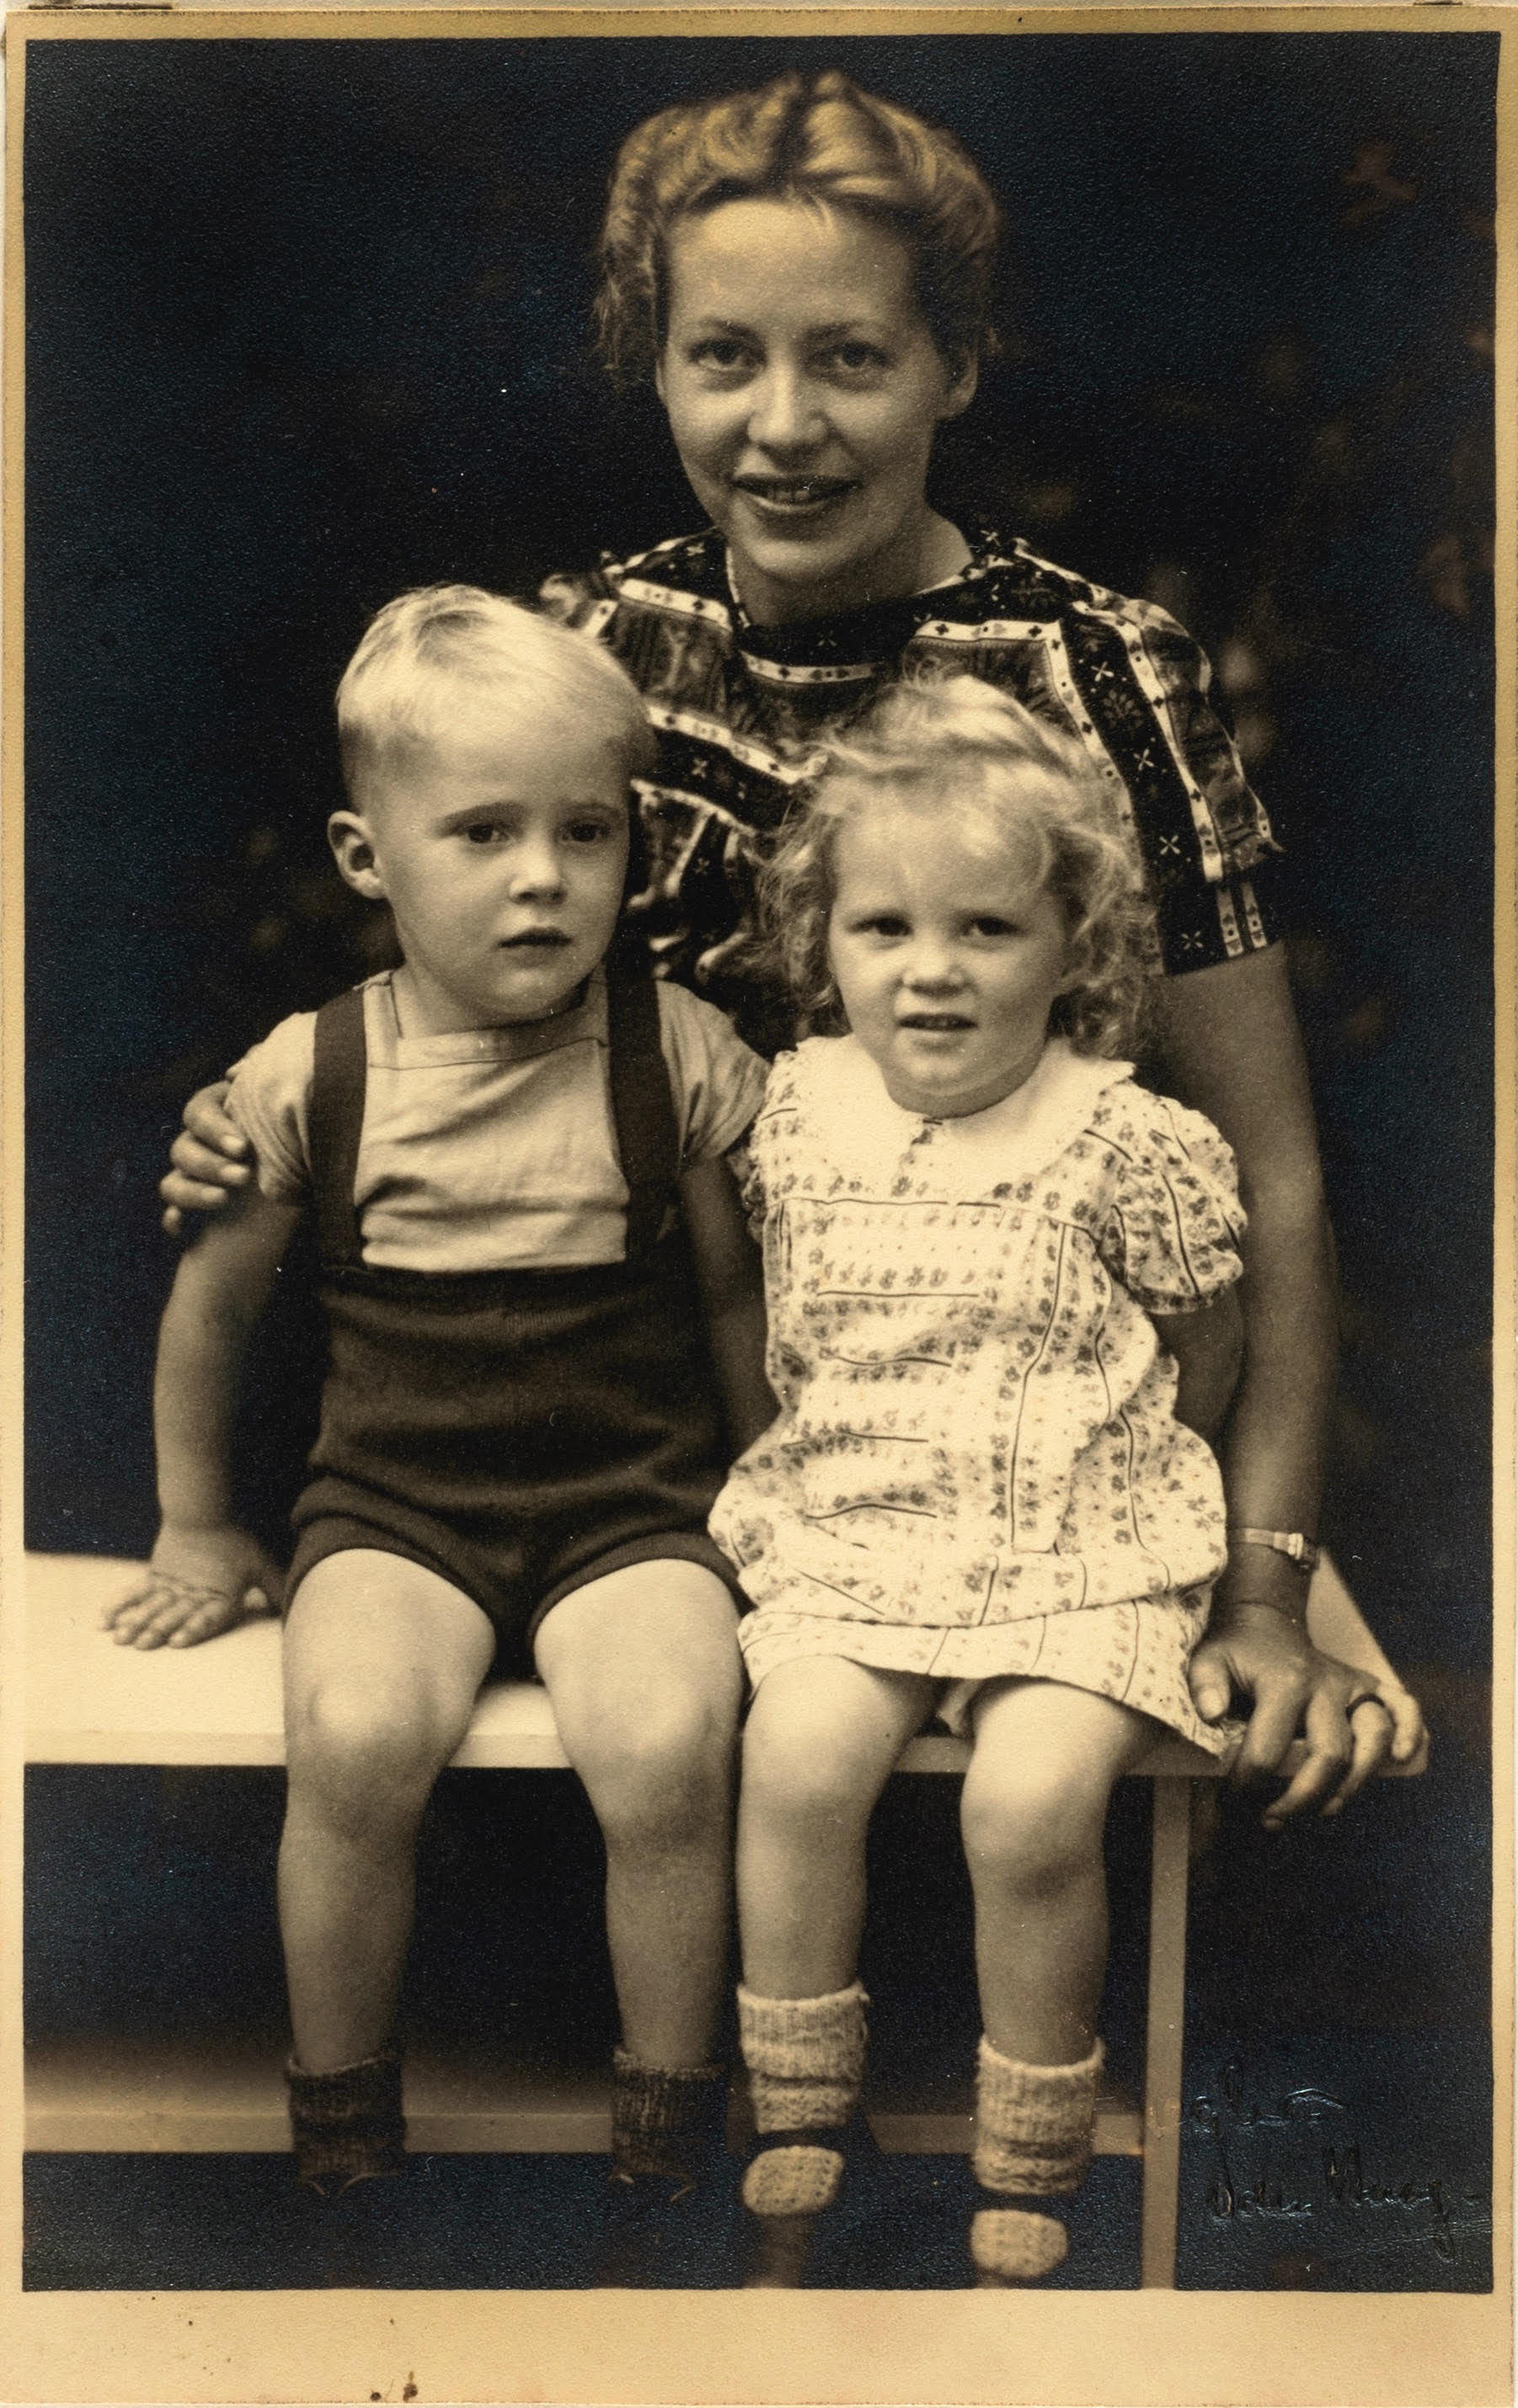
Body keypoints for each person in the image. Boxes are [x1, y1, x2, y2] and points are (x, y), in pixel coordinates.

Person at [159, 88, 1421, 1801]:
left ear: (952, 370)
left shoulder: (1097, 674)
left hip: (1024, 1491)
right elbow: (466, 1012)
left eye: (848, 359)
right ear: (657, 366)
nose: (780, 426)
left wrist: (1266, 1588)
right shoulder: (611, 641)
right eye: (721, 358)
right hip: (656, 1490)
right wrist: (268, 1120)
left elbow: (1266, 1174)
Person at [108, 589, 774, 2258]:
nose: (543, 875)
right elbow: (212, 1314)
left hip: (633, 1501)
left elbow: (734, 1304)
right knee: (348, 1738)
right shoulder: (305, 1077)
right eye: (482, 831)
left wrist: (776, 1493)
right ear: (365, 856)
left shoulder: (674, 1056)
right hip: (396, 1506)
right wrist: (200, 1518)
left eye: (586, 830)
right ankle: (340, 2129)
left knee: (668, 1744)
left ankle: (664, 2134)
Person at [712, 675, 1251, 2286]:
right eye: (882, 927)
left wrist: (1161, 1493)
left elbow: (1203, 1334)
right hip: (856, 1527)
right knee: (798, 1756)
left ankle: (1035, 2152)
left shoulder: (1118, 1136)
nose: (928, 971)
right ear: (825, 943)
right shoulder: (795, 1106)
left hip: (1075, 1542)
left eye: (984, 932)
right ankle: (798, 2106)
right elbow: (762, 1310)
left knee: (1028, 1804)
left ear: (1071, 948)